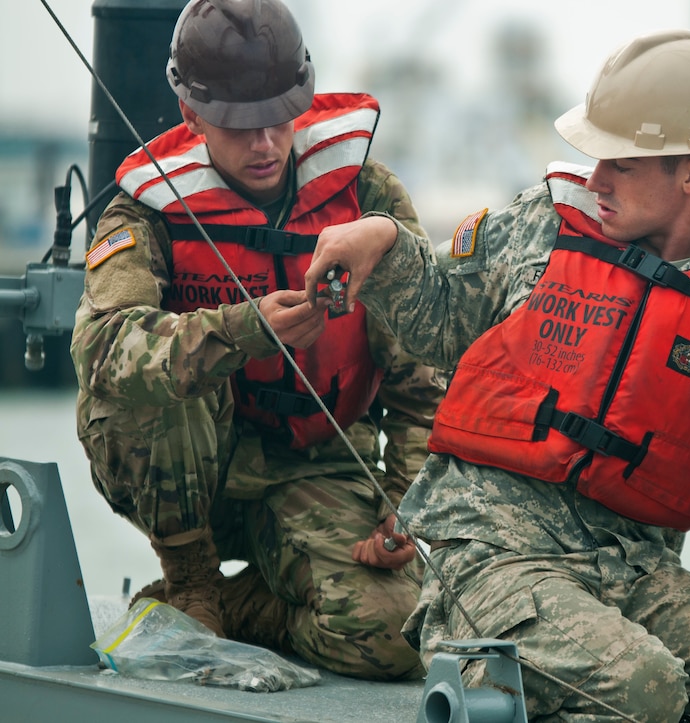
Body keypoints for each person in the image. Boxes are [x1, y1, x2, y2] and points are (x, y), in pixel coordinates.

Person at [304, 29, 690, 720]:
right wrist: (384, 239)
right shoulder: (544, 225)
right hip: (492, 555)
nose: (595, 180)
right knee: (642, 687)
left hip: (634, 568)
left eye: (621, 163)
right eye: (595, 159)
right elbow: (438, 315)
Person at [70, 0, 445, 681]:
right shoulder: (144, 209)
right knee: (156, 375)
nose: (266, 142)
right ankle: (190, 582)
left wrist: (407, 503)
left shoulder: (366, 197)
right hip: (191, 478)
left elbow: (426, 365)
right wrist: (241, 330)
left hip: (319, 465)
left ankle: (238, 606)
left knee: (396, 637)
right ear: (190, 116)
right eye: (240, 126)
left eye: (278, 116)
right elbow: (103, 349)